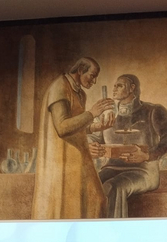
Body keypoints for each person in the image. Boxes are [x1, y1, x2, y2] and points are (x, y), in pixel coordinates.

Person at [32, 57, 114, 220]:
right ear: (81, 70)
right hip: (61, 159)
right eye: (92, 76)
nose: (94, 81)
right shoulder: (59, 87)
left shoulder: (79, 93)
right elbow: (62, 127)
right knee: (74, 206)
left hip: (77, 156)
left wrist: (96, 127)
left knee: (97, 201)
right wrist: (91, 113)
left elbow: (76, 126)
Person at [89, 73, 167, 217]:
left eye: (120, 85)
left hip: (144, 171)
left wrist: (148, 155)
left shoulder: (153, 111)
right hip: (111, 168)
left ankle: (115, 228)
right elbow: (93, 138)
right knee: (90, 185)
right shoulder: (108, 116)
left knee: (114, 186)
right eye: (114, 86)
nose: (115, 89)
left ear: (132, 88)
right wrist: (90, 147)